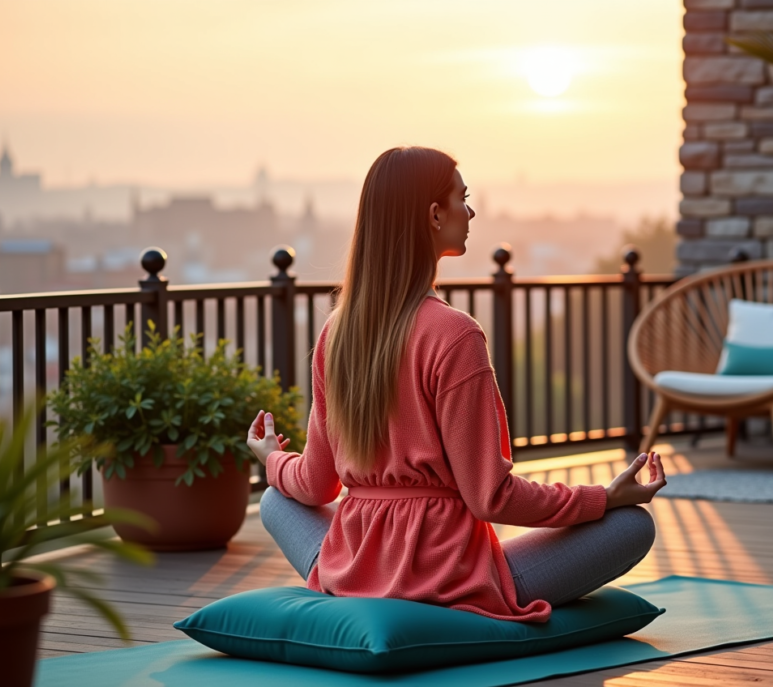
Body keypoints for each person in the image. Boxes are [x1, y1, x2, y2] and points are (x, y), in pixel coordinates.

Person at [246, 146, 666, 623]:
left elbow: (316, 484)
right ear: (433, 214)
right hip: (451, 581)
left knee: (275, 498)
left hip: (352, 569)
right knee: (632, 526)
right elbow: (491, 496)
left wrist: (271, 459)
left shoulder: (335, 334)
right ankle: (460, 596)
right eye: (462, 199)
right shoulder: (455, 334)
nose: (470, 211)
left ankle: (358, 584)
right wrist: (604, 498)